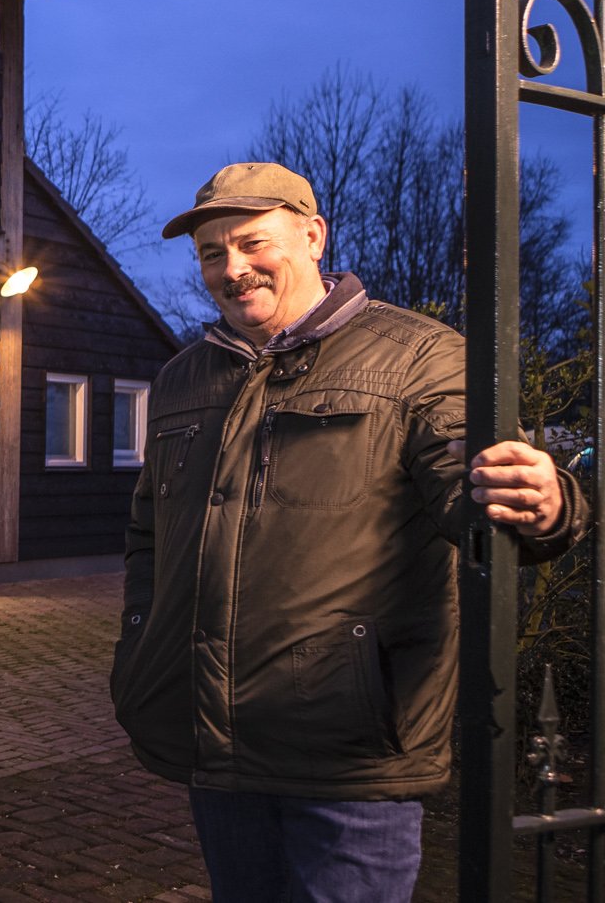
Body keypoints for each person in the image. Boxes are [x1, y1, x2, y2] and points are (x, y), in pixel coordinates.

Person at [110, 161, 587, 902]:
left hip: (348, 757)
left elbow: (482, 498)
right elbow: (148, 532)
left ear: (313, 236)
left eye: (251, 243)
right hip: (216, 744)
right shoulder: (184, 377)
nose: (232, 269)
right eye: (211, 252)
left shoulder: (420, 357)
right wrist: (141, 641)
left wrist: (544, 503)